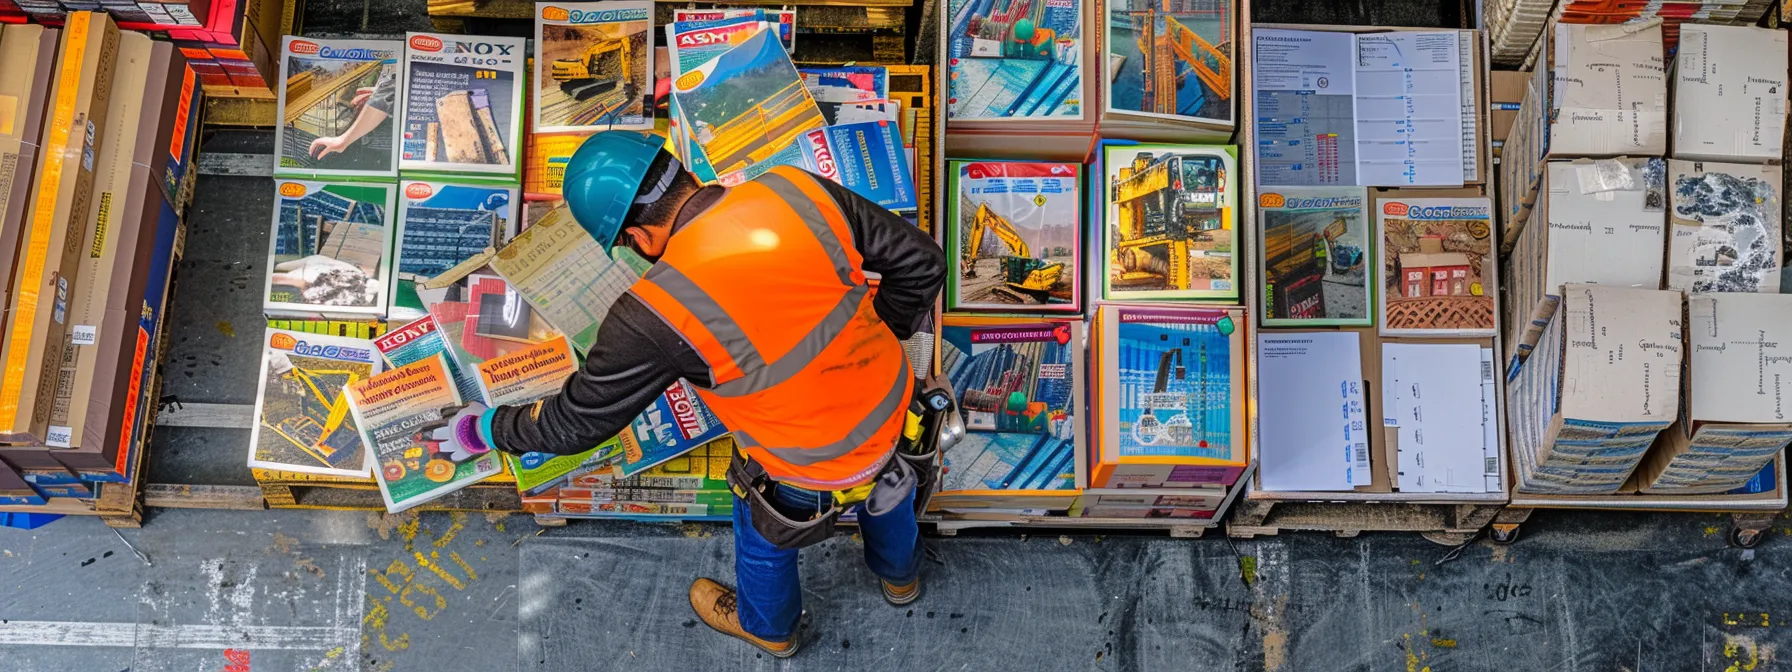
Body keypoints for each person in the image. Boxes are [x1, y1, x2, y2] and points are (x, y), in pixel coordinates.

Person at [454, 131, 946, 657]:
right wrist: (877, 333)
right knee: (890, 489)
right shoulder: (795, 190)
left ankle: (769, 629)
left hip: (803, 461)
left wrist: (485, 427)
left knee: (765, 543)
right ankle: (901, 579)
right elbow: (924, 263)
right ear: (682, 172)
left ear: (639, 239)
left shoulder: (652, 313)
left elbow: (572, 425)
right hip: (893, 406)